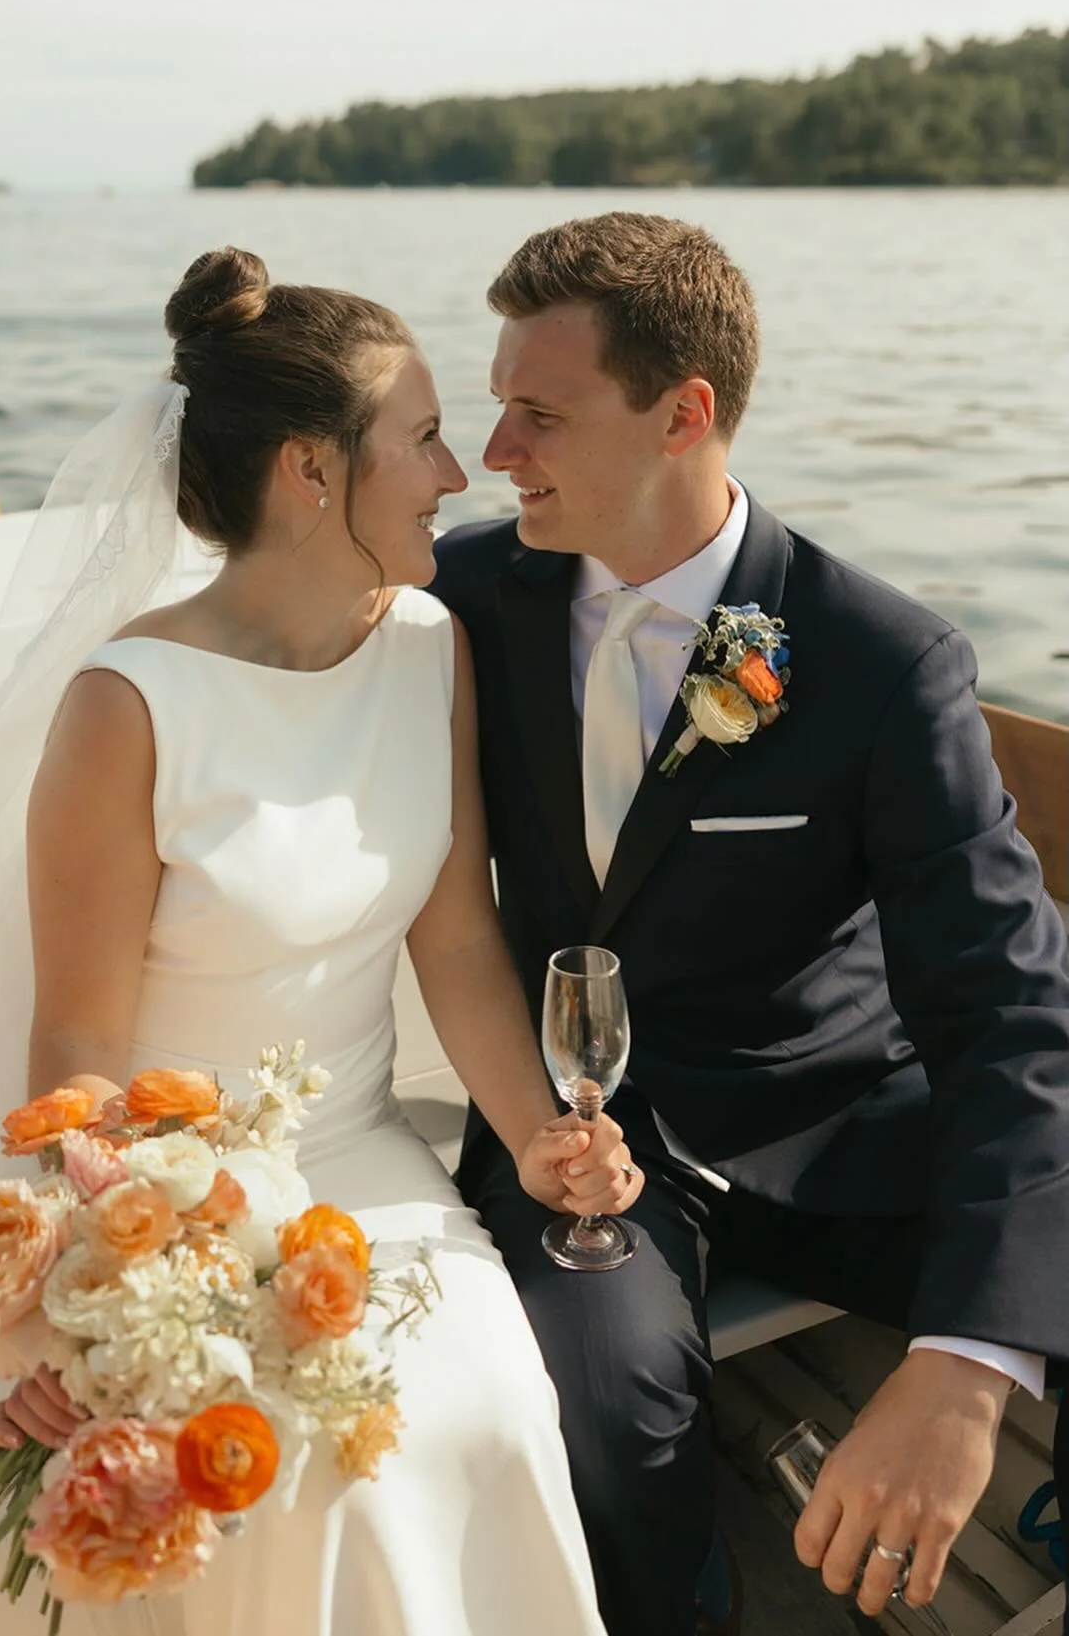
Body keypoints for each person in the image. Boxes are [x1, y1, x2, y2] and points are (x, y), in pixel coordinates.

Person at [0, 248, 610, 1636]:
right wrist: (85, 1288)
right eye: (423, 439)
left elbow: (455, 943)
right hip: (167, 1193)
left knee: (492, 1410)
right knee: (305, 1479)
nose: (457, 475)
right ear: (311, 469)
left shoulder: (426, 645)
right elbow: (78, 1037)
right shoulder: (127, 707)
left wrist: (530, 1140)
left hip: (364, 1162)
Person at [429, 210, 1069, 1636]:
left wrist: (970, 1366)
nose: (495, 453)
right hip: (583, 1142)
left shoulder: (878, 660)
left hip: (838, 1120)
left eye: (540, 415)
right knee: (592, 1412)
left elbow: (1005, 1011)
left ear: (683, 414)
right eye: (496, 408)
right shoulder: (460, 602)